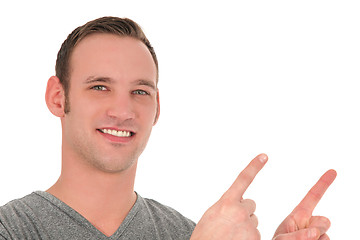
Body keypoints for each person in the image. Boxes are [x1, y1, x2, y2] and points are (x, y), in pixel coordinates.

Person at [0, 17, 336, 240]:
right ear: (58, 98)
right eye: (100, 87)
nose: (122, 110)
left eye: (140, 92)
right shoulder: (12, 229)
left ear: (157, 108)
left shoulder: (188, 233)